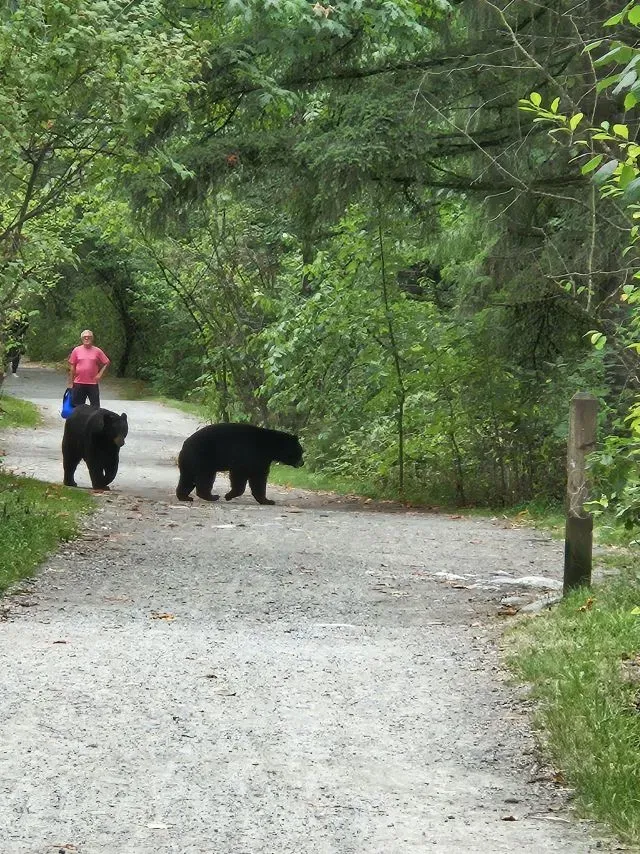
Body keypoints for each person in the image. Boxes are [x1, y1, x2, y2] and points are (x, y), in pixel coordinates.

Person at [68, 329, 110, 407]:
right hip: (78, 383)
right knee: (77, 407)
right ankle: (79, 419)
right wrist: (71, 382)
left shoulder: (97, 351)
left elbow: (106, 362)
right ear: (81, 339)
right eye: (85, 337)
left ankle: (93, 419)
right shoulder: (76, 350)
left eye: (89, 337)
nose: (86, 338)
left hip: (92, 383)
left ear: (92, 338)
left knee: (95, 407)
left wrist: (100, 374)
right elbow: (72, 366)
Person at [4, 307, 29, 378]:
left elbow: (25, 328)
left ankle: (14, 371)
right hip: (9, 340)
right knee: (7, 356)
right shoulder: (7, 320)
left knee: (16, 356)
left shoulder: (21, 321)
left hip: (17, 340)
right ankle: (5, 371)